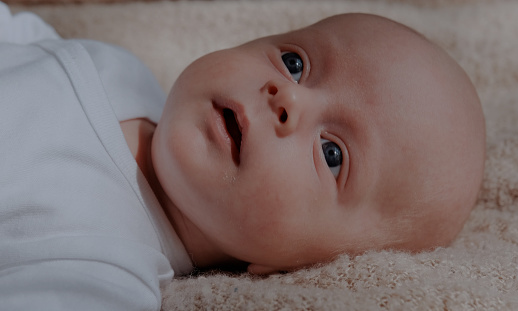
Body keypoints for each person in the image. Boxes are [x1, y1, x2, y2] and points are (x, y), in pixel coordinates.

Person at [0, 2, 485, 310]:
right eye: (295, 63)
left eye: (332, 154)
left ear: (299, 266)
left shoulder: (104, 270)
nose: (288, 99)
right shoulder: (121, 72)